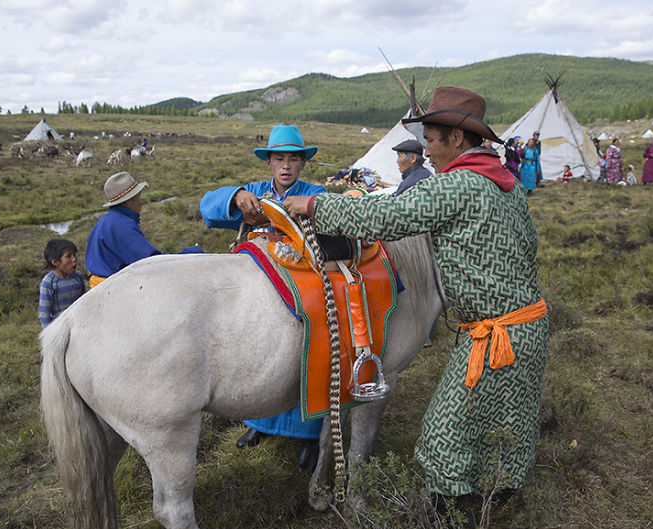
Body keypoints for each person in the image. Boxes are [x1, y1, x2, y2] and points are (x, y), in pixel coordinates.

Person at [284, 86, 549, 507]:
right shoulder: (509, 186)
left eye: (429, 141)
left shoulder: (457, 185)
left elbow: (384, 216)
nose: (426, 152)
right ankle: (494, 505)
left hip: (496, 336)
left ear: (456, 139)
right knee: (503, 425)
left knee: (443, 438)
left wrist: (316, 206)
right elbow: (530, 246)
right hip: (529, 326)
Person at [200, 124, 325, 472]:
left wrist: (307, 210)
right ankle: (259, 423)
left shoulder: (315, 192)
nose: (286, 166)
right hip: (256, 284)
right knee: (254, 352)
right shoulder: (254, 192)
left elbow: (330, 216)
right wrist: (236, 196)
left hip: (301, 281)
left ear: (302, 165)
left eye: (293, 160)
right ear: (269, 163)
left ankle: (309, 434)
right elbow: (208, 207)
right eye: (279, 159)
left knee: (307, 343)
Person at [86, 171, 202, 288]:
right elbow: (150, 263)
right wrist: (190, 254)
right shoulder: (122, 225)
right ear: (127, 201)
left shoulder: (108, 220)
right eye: (138, 196)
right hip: (113, 289)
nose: (141, 201)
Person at [38, 238, 86, 328]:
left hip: (80, 324)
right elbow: (44, 313)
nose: (74, 259)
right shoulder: (48, 283)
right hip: (60, 328)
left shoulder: (78, 276)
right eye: (68, 256)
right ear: (55, 262)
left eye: (74, 255)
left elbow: (84, 300)